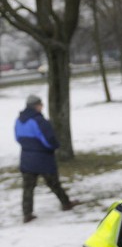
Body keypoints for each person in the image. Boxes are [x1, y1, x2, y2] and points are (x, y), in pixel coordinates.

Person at [14, 94, 77, 223]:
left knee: (28, 187)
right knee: (54, 183)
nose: (42, 107)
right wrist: (54, 147)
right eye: (40, 104)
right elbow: (49, 140)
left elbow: (17, 138)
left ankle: (27, 213)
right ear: (35, 106)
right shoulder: (39, 120)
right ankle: (66, 203)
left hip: (26, 158)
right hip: (43, 158)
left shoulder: (19, 120)